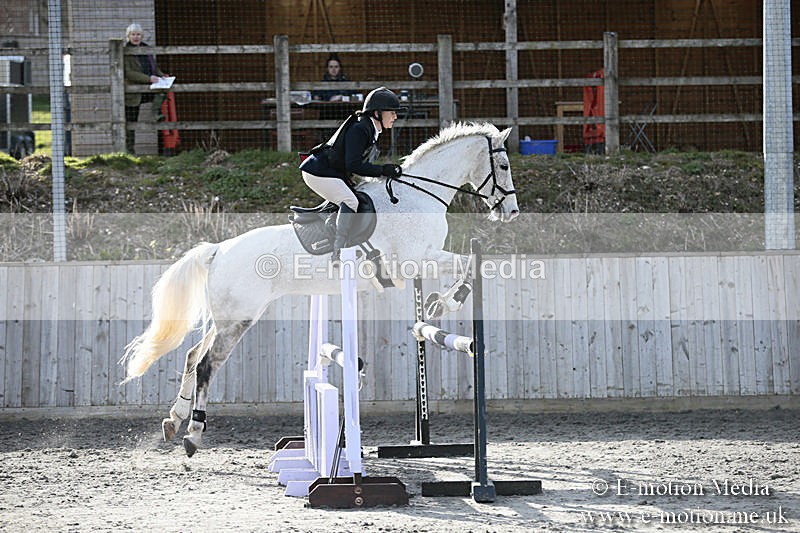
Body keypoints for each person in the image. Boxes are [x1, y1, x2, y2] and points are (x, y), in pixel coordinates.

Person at [300, 87, 403, 263]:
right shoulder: (360, 128)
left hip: (329, 172)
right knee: (350, 201)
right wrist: (382, 170)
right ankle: (338, 251)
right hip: (318, 172)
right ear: (377, 113)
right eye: (391, 112)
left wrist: (383, 170)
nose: (395, 117)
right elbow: (354, 165)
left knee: (355, 198)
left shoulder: (369, 128)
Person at [123, 23, 169, 153]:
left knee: (162, 92)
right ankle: (129, 151)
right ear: (128, 36)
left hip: (149, 88)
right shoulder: (126, 51)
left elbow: (154, 67)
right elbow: (129, 73)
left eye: (138, 34)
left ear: (142, 36)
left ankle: (155, 113)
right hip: (133, 93)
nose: (136, 37)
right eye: (133, 34)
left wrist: (161, 76)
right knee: (131, 122)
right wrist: (149, 79)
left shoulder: (146, 49)